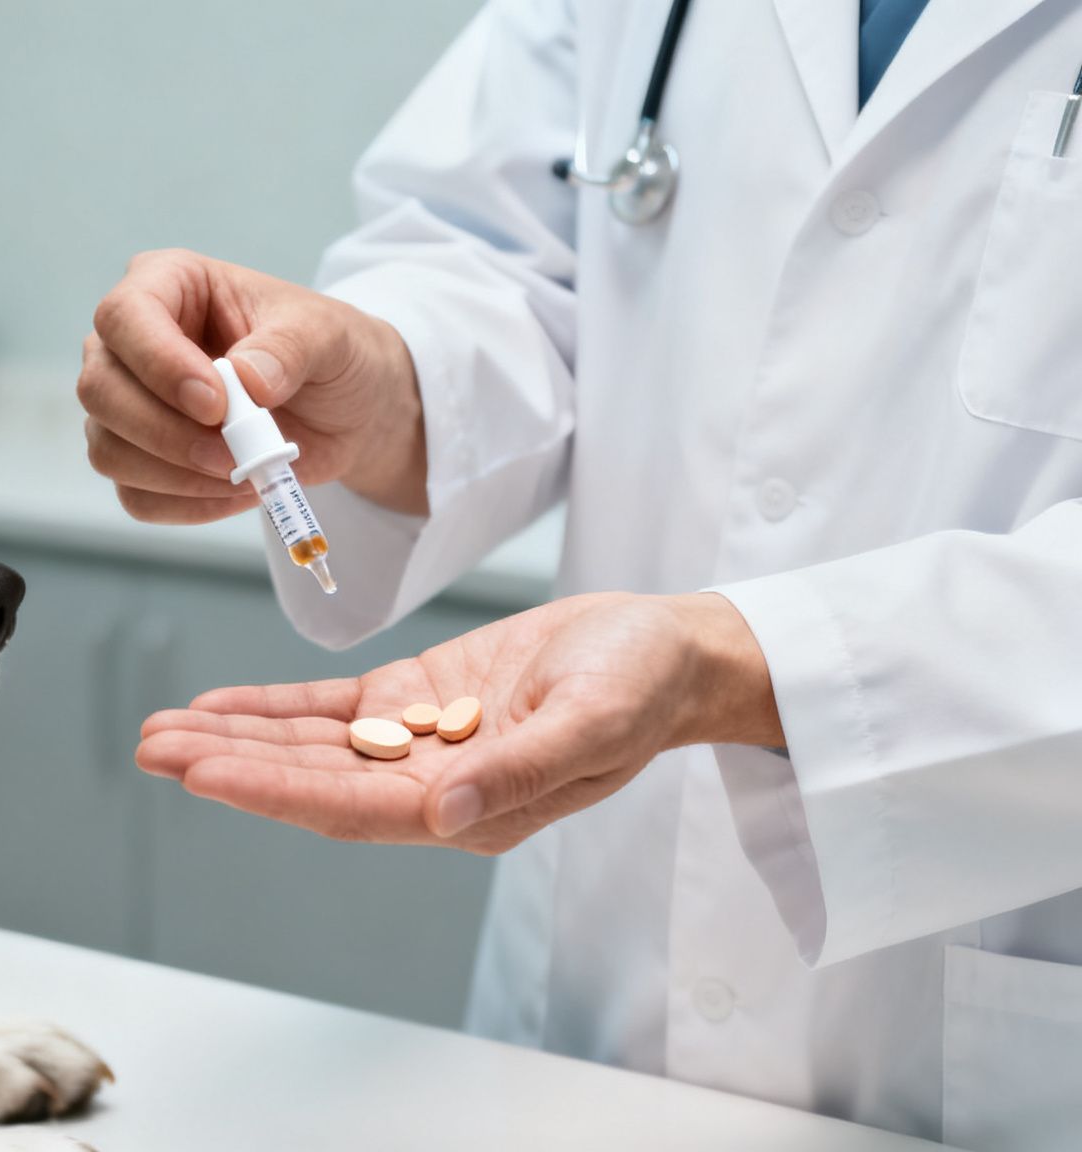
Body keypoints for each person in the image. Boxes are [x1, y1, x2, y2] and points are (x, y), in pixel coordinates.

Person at [75, 2, 1082, 1148]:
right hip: (592, 1014)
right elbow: (504, 250)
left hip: (1002, 1065)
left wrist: (749, 662)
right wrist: (384, 380)